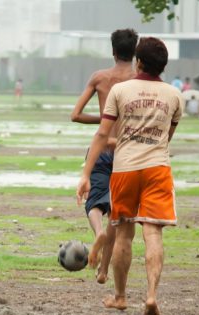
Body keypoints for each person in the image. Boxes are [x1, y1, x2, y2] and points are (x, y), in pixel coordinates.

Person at [77, 37, 183, 315]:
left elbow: (103, 133)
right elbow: (167, 138)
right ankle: (151, 296)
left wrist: (86, 174)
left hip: (125, 169)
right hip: (157, 168)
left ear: (139, 62)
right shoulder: (175, 95)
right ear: (163, 65)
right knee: (153, 232)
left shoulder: (120, 91)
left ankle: (121, 297)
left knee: (124, 233)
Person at [70, 28, 138, 284]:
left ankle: (98, 231)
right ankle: (103, 271)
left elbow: (76, 115)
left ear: (113, 51)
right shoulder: (139, 81)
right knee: (117, 213)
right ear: (135, 52)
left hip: (101, 148)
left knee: (94, 203)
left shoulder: (100, 78)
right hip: (126, 152)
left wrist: (104, 120)